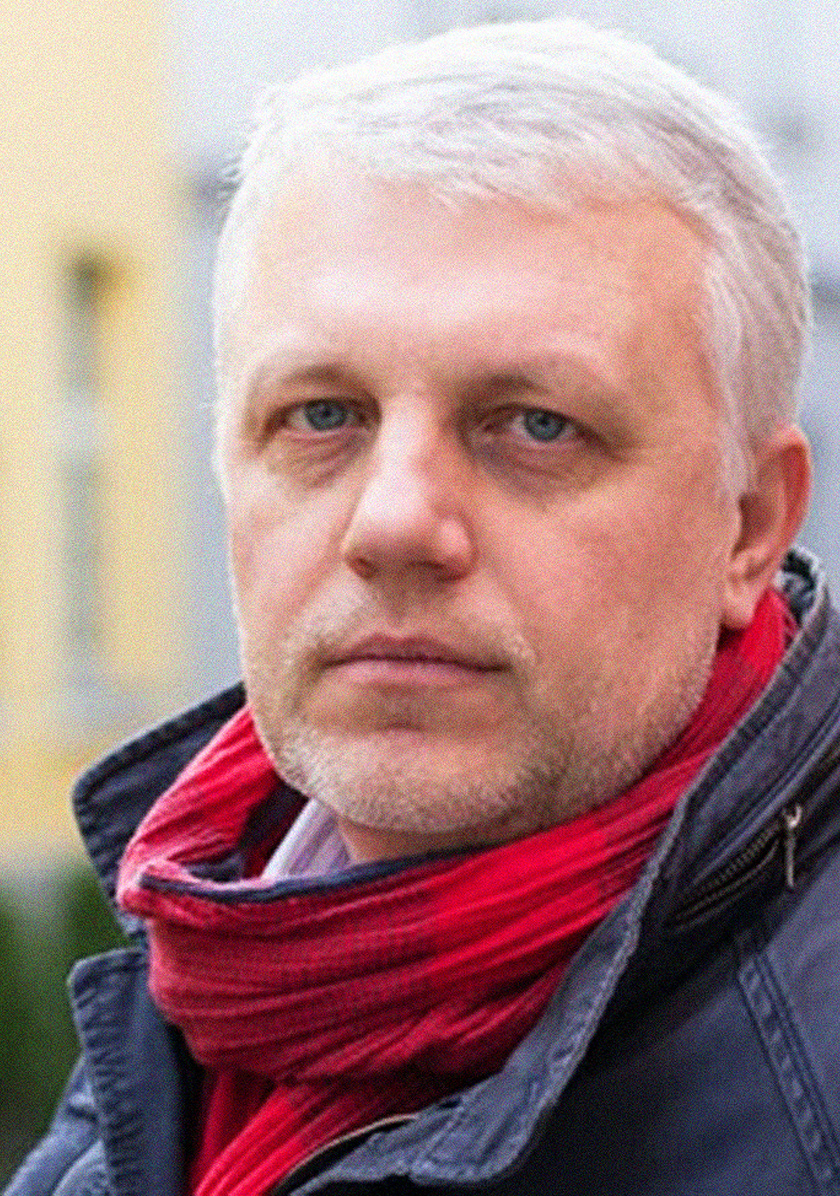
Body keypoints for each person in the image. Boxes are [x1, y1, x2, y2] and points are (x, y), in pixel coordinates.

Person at [7, 16, 839, 1196]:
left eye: (537, 423)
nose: (393, 522)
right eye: (321, 415)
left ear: (748, 524)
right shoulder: (211, 961)